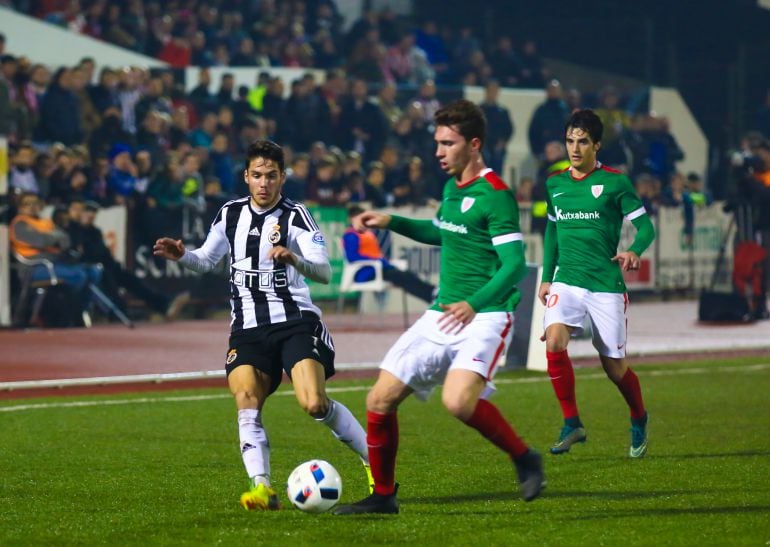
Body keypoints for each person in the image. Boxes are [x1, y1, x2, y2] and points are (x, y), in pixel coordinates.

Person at [334, 100, 545, 515]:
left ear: (474, 144)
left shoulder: (496, 196)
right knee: (379, 399)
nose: (438, 152)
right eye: (437, 142)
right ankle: (383, 496)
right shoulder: (452, 189)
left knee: (458, 402)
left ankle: (524, 457)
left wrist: (475, 302)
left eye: (448, 143)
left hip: (487, 313)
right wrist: (390, 220)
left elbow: (514, 265)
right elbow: (443, 232)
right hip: (443, 313)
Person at [152, 140, 371, 511]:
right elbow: (207, 260)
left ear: (283, 178)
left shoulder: (297, 215)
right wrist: (183, 256)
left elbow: (324, 270)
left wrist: (295, 260)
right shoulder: (229, 214)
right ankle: (262, 487)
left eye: (271, 176)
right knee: (246, 401)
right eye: (257, 176)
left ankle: (373, 463)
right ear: (246, 177)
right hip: (247, 330)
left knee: (314, 403)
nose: (264, 183)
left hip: (294, 323)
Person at [537, 109, 656, 459]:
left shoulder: (616, 182)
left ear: (597, 144)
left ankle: (638, 415)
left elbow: (646, 227)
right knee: (555, 341)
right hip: (567, 279)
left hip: (605, 283)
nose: (574, 148)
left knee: (614, 368)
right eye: (570, 140)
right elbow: (552, 230)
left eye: (582, 141)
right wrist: (546, 276)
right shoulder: (555, 183)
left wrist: (634, 250)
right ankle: (572, 422)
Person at [67, 199, 191, 321]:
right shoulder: (72, 230)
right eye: (87, 211)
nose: (90, 215)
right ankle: (120, 314)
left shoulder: (95, 232)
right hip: (90, 269)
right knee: (108, 280)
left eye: (93, 212)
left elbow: (103, 254)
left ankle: (165, 305)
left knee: (132, 280)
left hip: (106, 266)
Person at [9, 192, 102, 326]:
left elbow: (65, 240)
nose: (32, 206)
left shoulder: (45, 222)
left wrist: (51, 238)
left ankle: (81, 310)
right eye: (27, 204)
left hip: (56, 263)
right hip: (35, 268)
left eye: (35, 203)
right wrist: (53, 237)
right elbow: (41, 241)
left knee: (93, 271)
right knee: (78, 276)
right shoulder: (20, 224)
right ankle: (71, 314)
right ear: (20, 207)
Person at [342, 204, 436, 303]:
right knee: (401, 277)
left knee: (407, 275)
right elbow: (352, 257)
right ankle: (431, 295)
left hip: (379, 267)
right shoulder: (350, 235)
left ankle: (432, 293)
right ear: (352, 219)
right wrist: (377, 261)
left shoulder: (368, 233)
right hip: (366, 271)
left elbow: (374, 253)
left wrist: (382, 261)